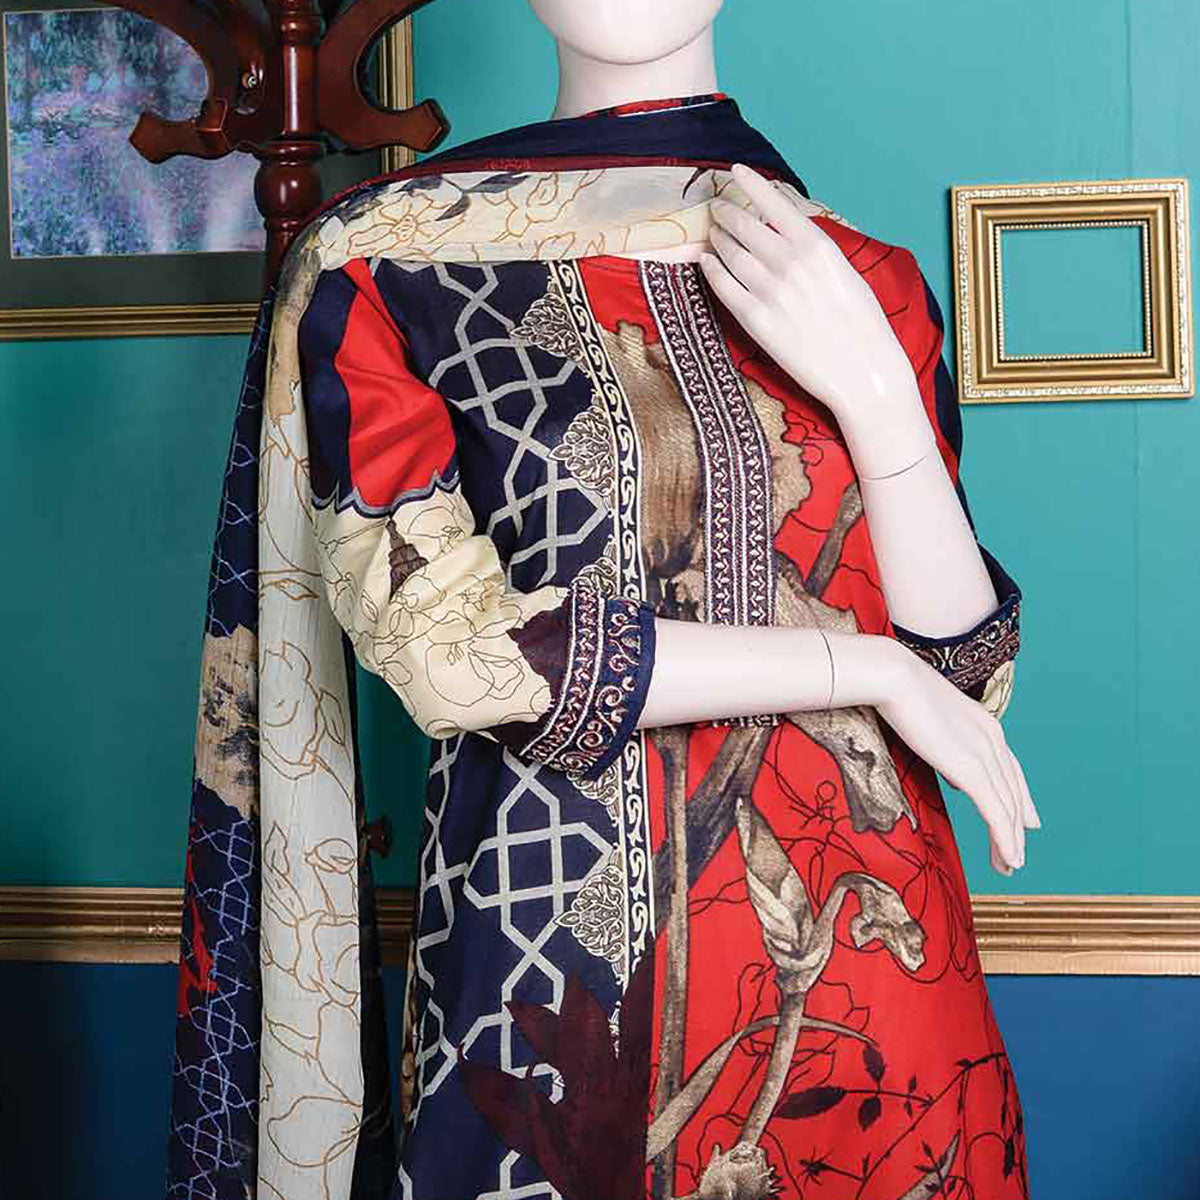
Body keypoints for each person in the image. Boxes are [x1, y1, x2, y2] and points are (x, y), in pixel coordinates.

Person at [168, 3, 1039, 1198]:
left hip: (877, 1006)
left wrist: (883, 400)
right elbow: (459, 655)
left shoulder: (864, 279)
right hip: (552, 1007)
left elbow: (963, 690)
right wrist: (865, 667)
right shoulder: (389, 265)